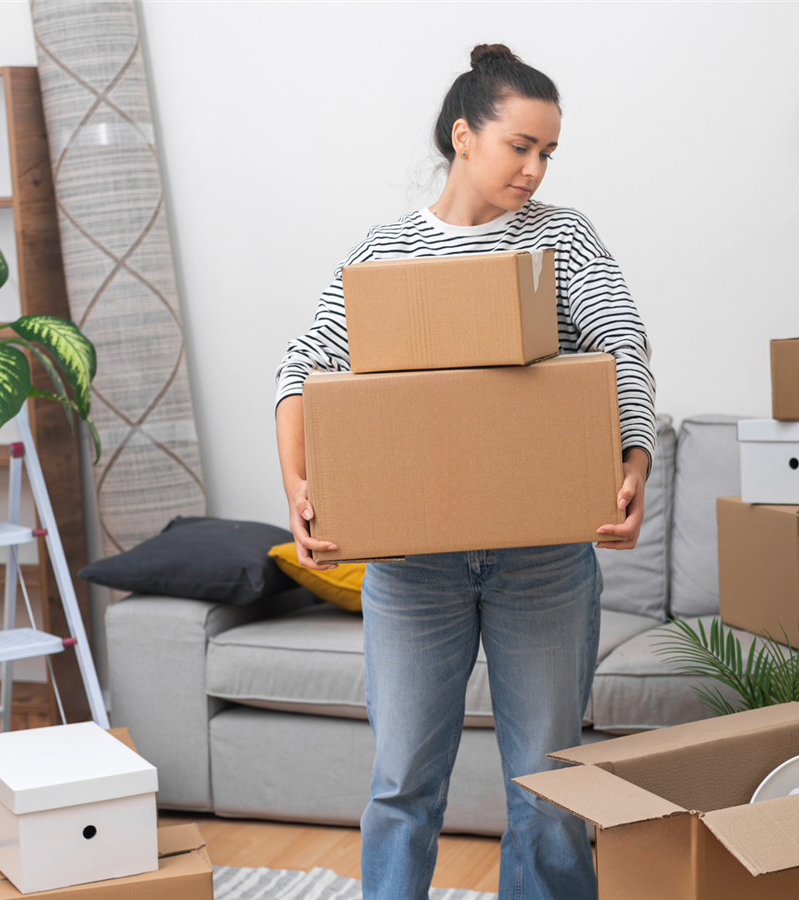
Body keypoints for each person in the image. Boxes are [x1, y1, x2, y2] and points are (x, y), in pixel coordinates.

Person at [275, 43, 655, 900]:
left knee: (550, 794)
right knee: (402, 785)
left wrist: (634, 465)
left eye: (548, 151)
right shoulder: (386, 252)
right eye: (521, 145)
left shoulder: (562, 237)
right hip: (414, 568)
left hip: (543, 558)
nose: (536, 167)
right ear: (463, 136)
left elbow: (620, 348)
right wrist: (300, 489)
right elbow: (303, 367)